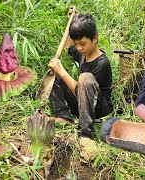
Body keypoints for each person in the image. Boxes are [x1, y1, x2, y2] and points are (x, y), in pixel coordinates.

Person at [48, 7, 113, 160]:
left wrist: (63, 71)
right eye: (77, 44)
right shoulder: (83, 52)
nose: (79, 48)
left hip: (98, 107)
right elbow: (68, 45)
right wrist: (72, 21)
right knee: (56, 73)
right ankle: (64, 115)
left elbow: (82, 90)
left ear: (95, 38)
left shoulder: (102, 63)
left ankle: (85, 133)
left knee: (84, 78)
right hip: (82, 103)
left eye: (82, 43)